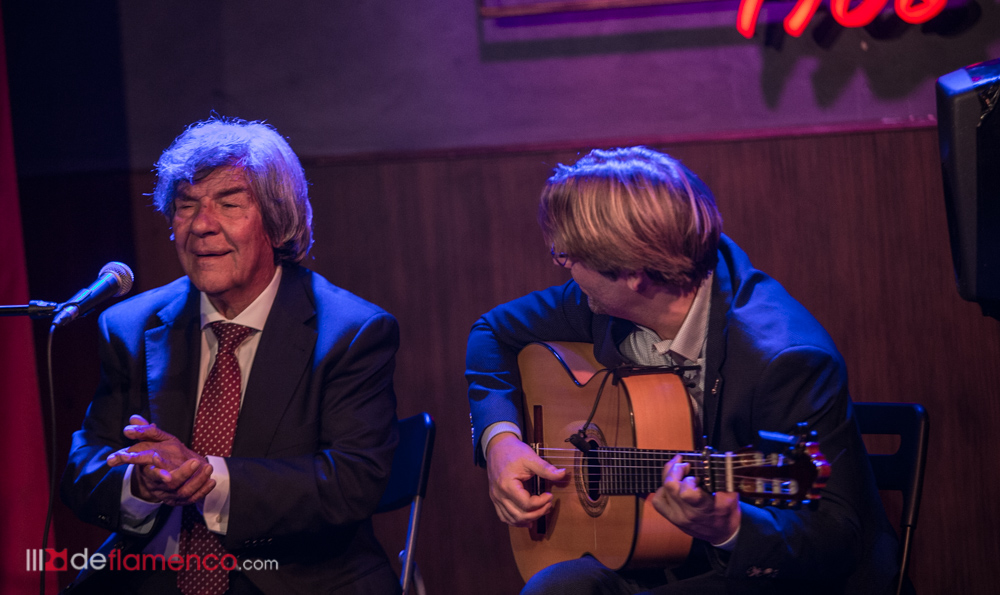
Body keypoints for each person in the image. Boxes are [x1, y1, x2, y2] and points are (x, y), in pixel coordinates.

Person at [465, 147, 898, 594]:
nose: (564, 267)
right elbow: (490, 333)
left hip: (768, 575)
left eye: (568, 256)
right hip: (656, 558)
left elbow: (839, 537)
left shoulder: (786, 359)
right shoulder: (604, 302)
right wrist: (500, 439)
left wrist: (730, 525)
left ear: (634, 273)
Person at [61, 117, 401, 594]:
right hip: (154, 576)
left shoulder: (351, 332)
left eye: (229, 204)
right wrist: (140, 487)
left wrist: (207, 478)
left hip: (297, 578)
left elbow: (351, 483)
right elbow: (84, 469)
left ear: (278, 222)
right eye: (186, 206)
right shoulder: (130, 325)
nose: (202, 225)